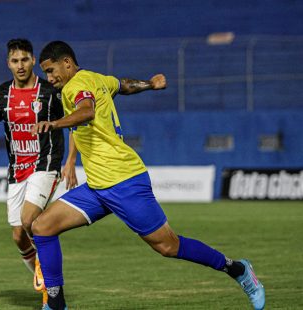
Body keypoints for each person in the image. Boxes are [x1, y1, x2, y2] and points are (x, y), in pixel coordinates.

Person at [31, 41, 266, 310]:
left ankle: (238, 269)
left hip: (124, 182)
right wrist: (150, 85)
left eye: (51, 71)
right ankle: (56, 304)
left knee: (168, 246)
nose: (50, 78)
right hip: (97, 186)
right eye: (47, 74)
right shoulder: (97, 78)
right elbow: (124, 85)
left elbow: (87, 111)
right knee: (43, 227)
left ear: (67, 63)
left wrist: (54, 123)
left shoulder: (75, 87)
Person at [0, 39, 78, 306]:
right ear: (8, 63)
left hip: (46, 165)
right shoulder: (1, 95)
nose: (20, 65)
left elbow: (75, 124)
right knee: (18, 236)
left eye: (25, 60)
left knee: (30, 219)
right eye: (15, 61)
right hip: (17, 170)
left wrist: (71, 161)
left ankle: (50, 285)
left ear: (32, 61)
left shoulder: (50, 92)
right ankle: (45, 282)